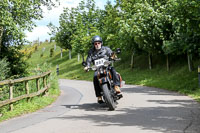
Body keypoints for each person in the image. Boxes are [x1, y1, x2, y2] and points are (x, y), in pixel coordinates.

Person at [84, 35, 121, 104]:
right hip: (97, 69)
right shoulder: (91, 52)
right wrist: (87, 66)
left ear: (101, 43)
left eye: (98, 43)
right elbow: (88, 60)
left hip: (106, 66)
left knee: (113, 70)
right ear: (93, 44)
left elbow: (111, 54)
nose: (97, 45)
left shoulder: (106, 49)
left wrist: (113, 56)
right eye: (95, 43)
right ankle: (99, 96)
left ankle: (116, 86)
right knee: (95, 77)